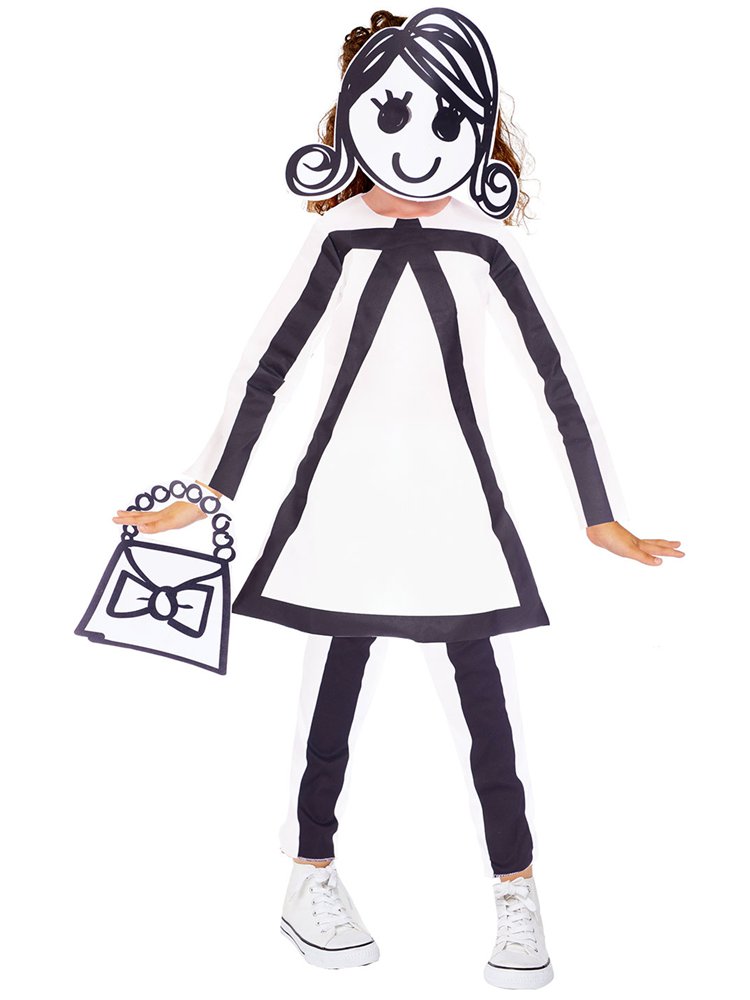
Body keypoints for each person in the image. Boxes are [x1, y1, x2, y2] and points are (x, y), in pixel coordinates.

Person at [113, 8, 685, 990]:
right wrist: (207, 495)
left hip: (453, 507)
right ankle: (310, 873)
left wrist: (599, 512)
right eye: (391, 115)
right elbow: (266, 372)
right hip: (346, 502)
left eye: (442, 119)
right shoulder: (336, 240)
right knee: (333, 695)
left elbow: (555, 378)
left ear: (474, 126)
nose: (416, 144)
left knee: (484, 708)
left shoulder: (485, 246)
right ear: (351, 121)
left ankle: (517, 893)